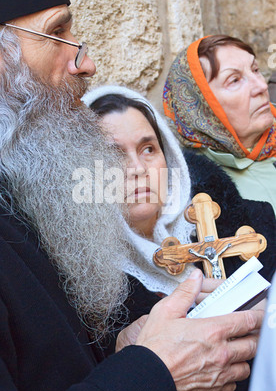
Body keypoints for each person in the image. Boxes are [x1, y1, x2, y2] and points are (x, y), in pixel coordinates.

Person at [0, 0, 267, 391]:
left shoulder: (15, 193)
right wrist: (153, 373)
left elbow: (47, 367)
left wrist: (122, 350)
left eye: (150, 149)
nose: (86, 62)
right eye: (58, 33)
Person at [83, 84, 276, 297]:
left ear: (170, 159)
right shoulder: (86, 289)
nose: (138, 168)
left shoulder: (251, 225)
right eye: (113, 155)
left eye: (148, 149)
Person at [163, 35, 276, 214]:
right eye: (234, 80)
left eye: (255, 69)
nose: (261, 86)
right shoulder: (197, 190)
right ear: (201, 107)